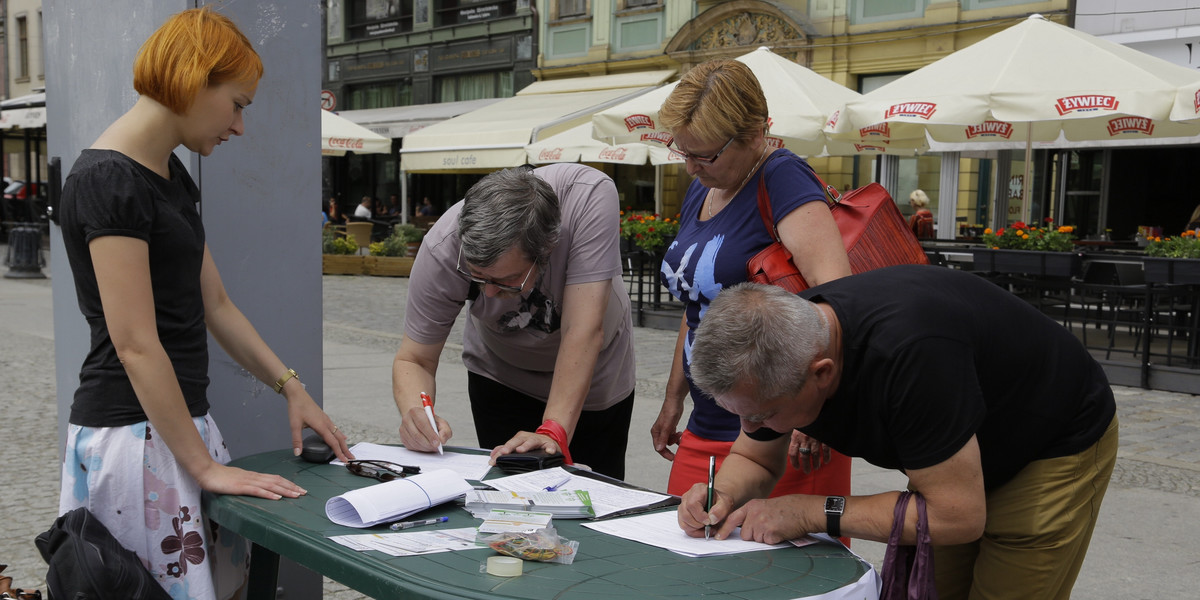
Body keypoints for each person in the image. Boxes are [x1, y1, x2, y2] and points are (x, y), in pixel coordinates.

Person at [55, 8, 353, 599]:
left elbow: (214, 303)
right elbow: (136, 345)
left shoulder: (166, 174)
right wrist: (205, 468)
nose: (240, 126)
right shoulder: (109, 182)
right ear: (195, 79)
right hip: (135, 438)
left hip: (174, 434)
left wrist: (292, 387)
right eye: (238, 103)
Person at [681, 268, 1118, 599]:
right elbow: (755, 457)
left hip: (1051, 439)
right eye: (742, 415)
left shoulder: (909, 358)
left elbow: (956, 517)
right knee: (931, 588)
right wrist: (723, 493)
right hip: (960, 437)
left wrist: (809, 511)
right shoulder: (784, 341)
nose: (751, 428)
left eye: (763, 414)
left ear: (822, 373)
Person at [652, 58, 853, 502]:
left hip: (783, 427)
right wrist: (673, 398)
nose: (690, 166)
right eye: (683, 151)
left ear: (754, 134)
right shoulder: (702, 187)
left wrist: (814, 416)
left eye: (704, 154)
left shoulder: (782, 176)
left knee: (786, 563)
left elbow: (840, 296)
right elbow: (699, 301)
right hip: (708, 418)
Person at [392, 164, 636, 479]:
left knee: (591, 499)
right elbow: (414, 358)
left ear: (546, 249)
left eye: (506, 281)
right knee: (507, 495)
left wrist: (553, 430)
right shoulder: (442, 247)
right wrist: (417, 414)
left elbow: (582, 332)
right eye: (477, 278)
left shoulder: (588, 194)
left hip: (593, 379)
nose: (490, 293)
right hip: (500, 374)